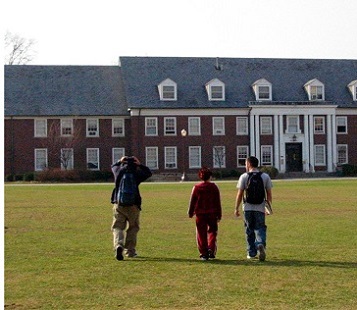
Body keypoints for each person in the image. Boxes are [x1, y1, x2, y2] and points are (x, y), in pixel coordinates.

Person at [111, 156, 152, 260]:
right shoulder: (136, 174)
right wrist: (139, 164)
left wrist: (119, 161)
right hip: (133, 205)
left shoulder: (118, 172)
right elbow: (148, 173)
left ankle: (118, 245)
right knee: (133, 228)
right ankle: (130, 251)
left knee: (118, 227)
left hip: (119, 204)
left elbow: (113, 166)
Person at [234, 156, 273, 261]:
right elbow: (269, 194)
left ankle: (251, 253)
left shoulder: (244, 176)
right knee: (260, 228)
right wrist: (268, 208)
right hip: (260, 207)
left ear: (249, 164)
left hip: (247, 207)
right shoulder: (265, 176)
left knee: (249, 229)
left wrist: (236, 208)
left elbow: (240, 193)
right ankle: (260, 244)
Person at [188, 167, 222, 260]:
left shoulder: (196, 187)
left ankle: (203, 253)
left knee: (201, 233)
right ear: (210, 176)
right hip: (212, 213)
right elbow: (217, 202)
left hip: (200, 214)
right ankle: (211, 248)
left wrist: (190, 212)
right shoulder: (214, 187)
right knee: (212, 232)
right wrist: (219, 215)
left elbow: (192, 201)